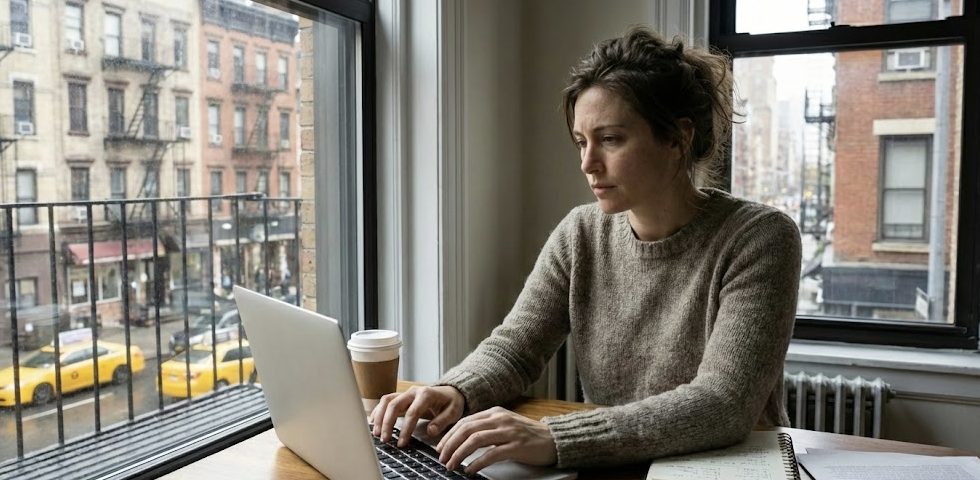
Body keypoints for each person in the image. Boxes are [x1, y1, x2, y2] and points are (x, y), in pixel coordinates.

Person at [371, 26, 802, 473]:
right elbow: (517, 347)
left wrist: (555, 436)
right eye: (581, 141)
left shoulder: (761, 238)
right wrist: (456, 390)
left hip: (730, 468)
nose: (587, 164)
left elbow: (723, 403)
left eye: (611, 139)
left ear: (677, 138)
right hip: (613, 465)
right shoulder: (581, 233)